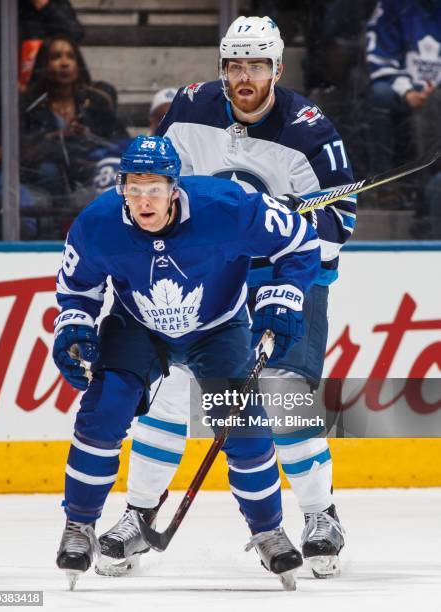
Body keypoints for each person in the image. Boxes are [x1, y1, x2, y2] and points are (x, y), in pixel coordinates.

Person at [98, 16, 355, 580]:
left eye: (256, 65)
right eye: (235, 65)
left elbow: (340, 221)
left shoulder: (310, 130)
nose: (244, 76)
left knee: (283, 395)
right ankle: (139, 515)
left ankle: (319, 515)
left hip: (290, 272)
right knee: (169, 391)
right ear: (222, 68)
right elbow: (156, 182)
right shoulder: (190, 108)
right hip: (211, 276)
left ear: (277, 68)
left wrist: (277, 231)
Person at [52, 135, 321, 589]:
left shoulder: (227, 206)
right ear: (121, 187)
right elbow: (78, 287)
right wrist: (75, 326)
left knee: (243, 426)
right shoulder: (98, 222)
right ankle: (79, 527)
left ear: (175, 187)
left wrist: (283, 297)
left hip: (217, 328)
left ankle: (269, 531)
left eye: (153, 188)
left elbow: (299, 242)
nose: (143, 201)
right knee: (102, 412)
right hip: (139, 327)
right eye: (133, 189)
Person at [21, 34, 119, 206]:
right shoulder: (30, 105)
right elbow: (22, 152)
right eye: (56, 57)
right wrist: (53, 137)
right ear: (44, 64)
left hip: (88, 170)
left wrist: (89, 135)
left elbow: (117, 141)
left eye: (70, 56)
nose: (64, 63)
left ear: (78, 64)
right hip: (45, 180)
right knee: (49, 172)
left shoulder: (96, 101)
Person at [365, 0, 441, 206]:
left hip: (436, 95)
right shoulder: (393, 7)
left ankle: (427, 189)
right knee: (380, 95)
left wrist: (435, 93)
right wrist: (407, 91)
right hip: (401, 88)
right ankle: (384, 183)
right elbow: (381, 57)